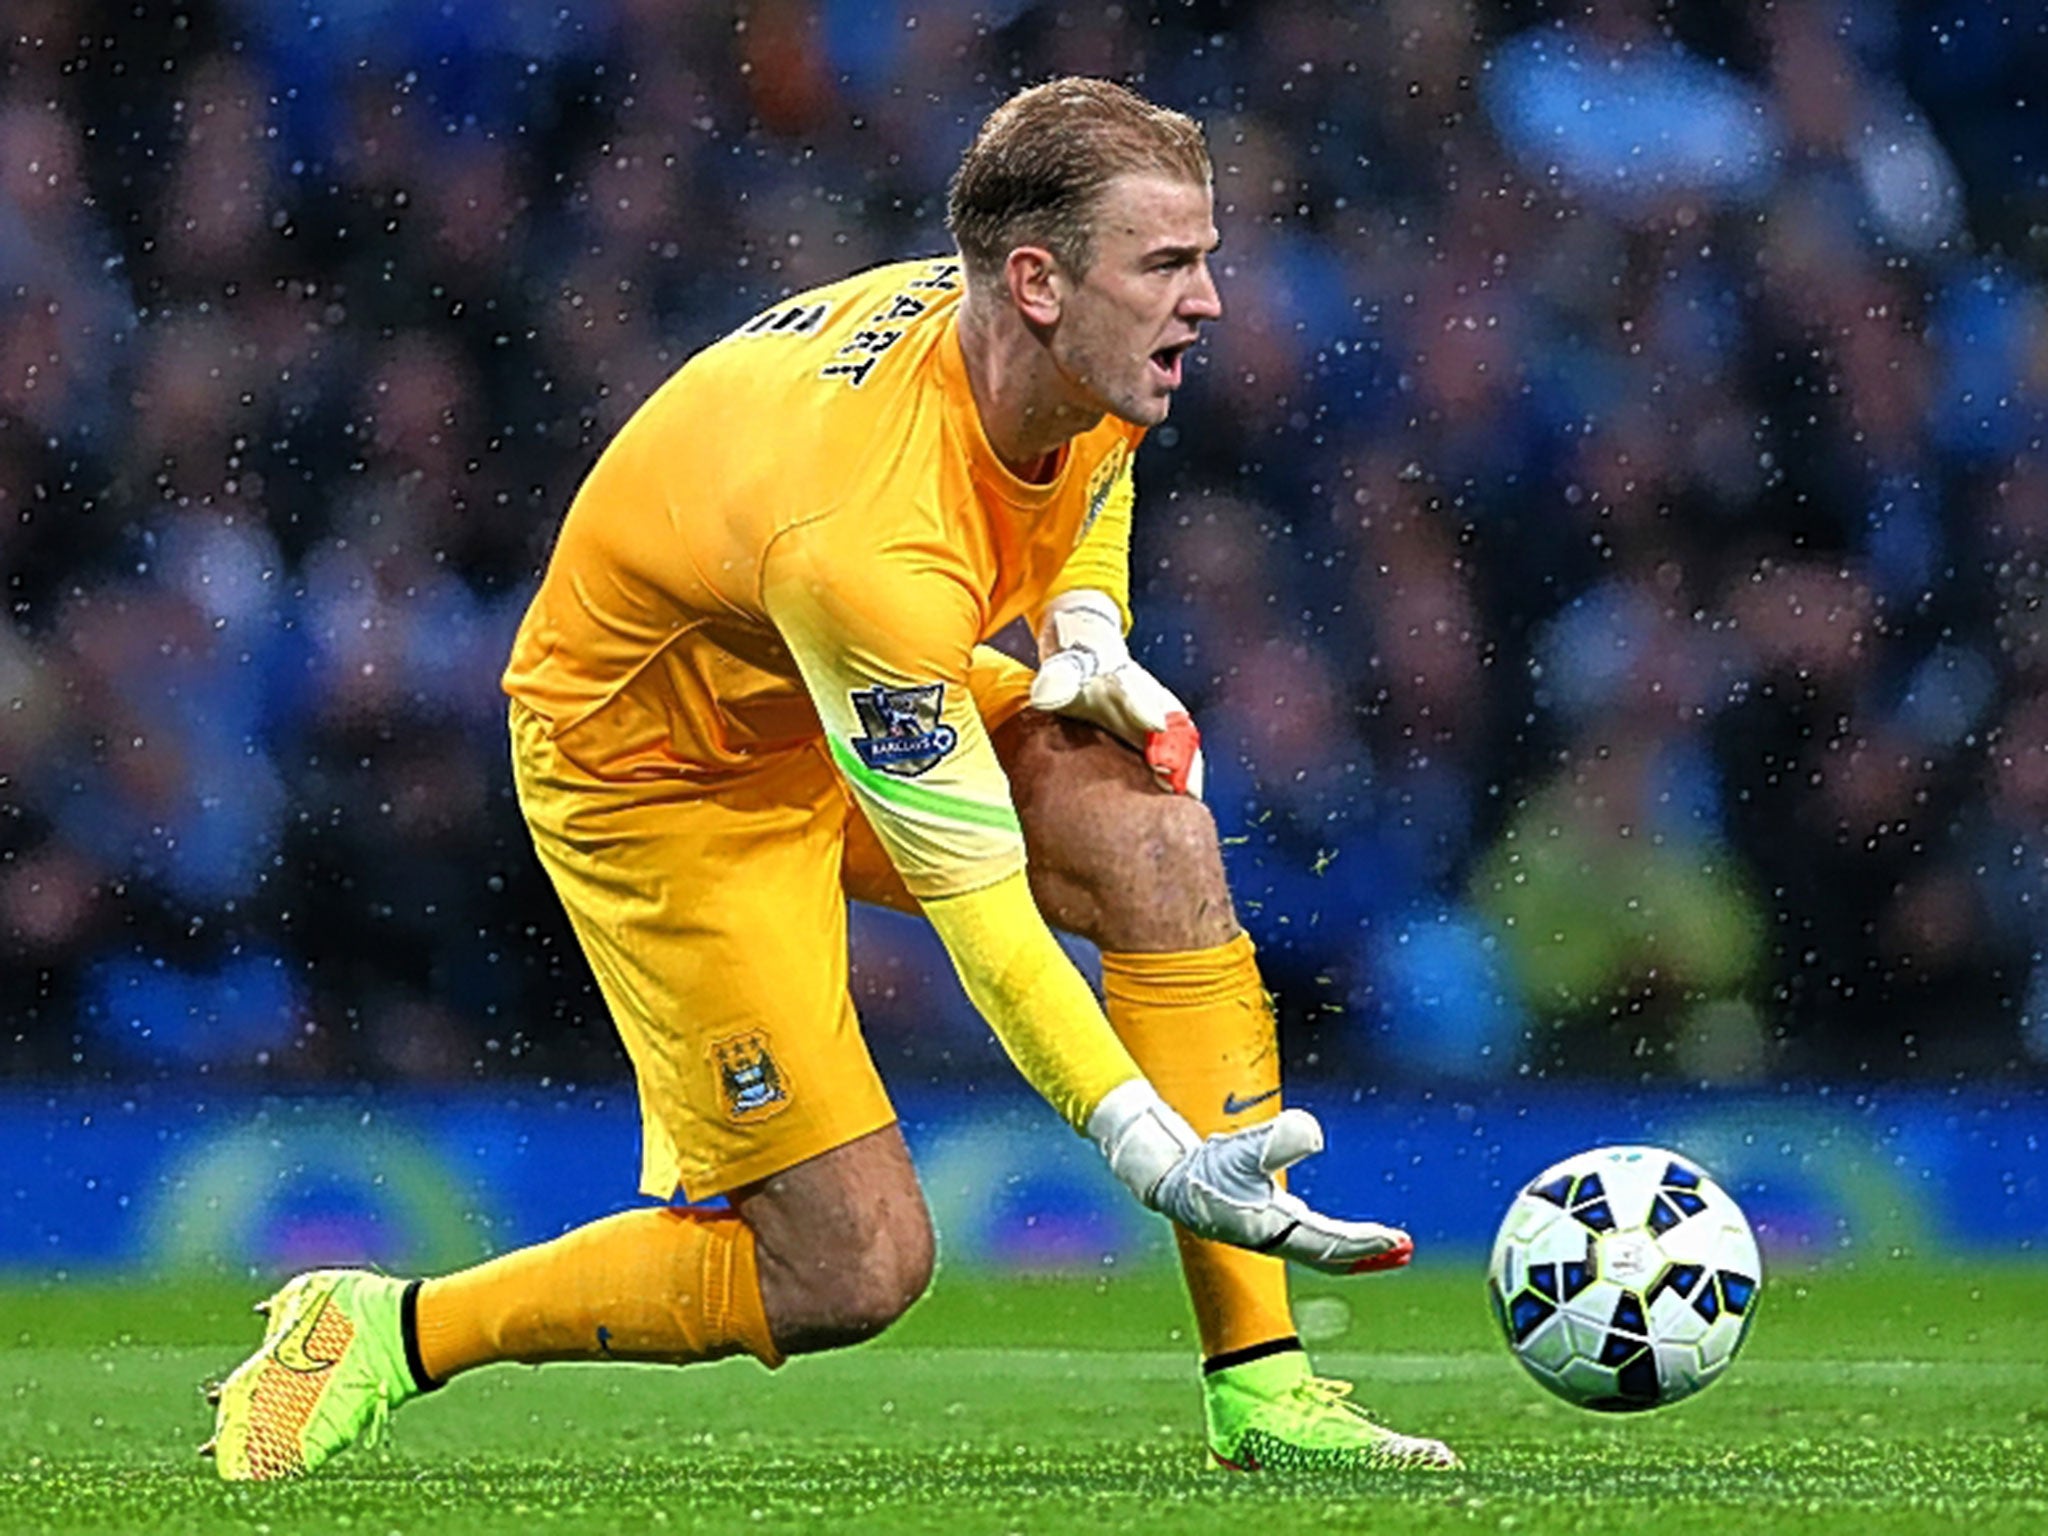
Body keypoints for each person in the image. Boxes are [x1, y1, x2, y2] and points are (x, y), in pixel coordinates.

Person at [202, 76, 1459, 1481]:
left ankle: (1266, 1393)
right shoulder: (866, 532)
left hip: (828, 684)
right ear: (1038, 281)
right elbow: (986, 920)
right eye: (1172, 264)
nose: (1210, 300)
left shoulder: (1060, 350)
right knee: (849, 1269)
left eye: (1207, 257)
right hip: (662, 773)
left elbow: (1089, 473)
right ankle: (384, 1326)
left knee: (1156, 840)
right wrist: (1148, 1147)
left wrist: (1086, 627)